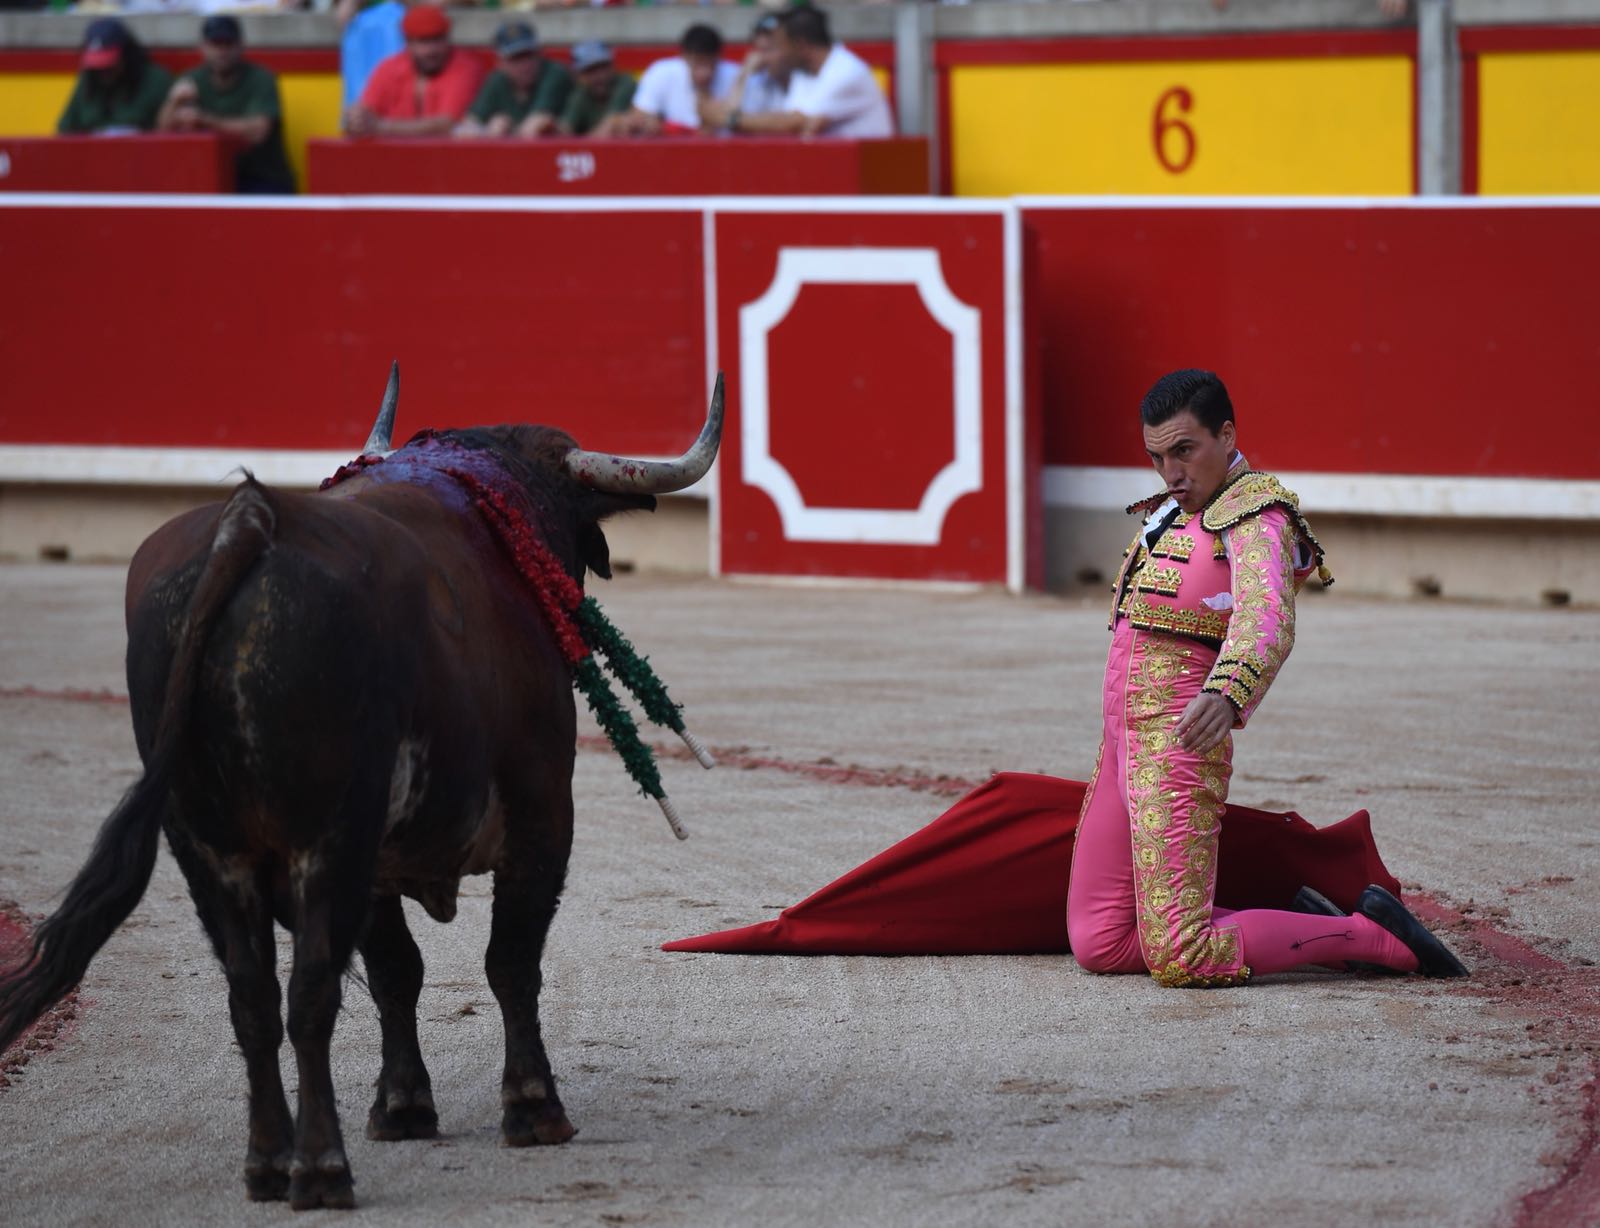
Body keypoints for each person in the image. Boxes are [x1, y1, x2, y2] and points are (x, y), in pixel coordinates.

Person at [1065, 369, 1467, 987]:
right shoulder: (1172, 514)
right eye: (1156, 457)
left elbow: (1266, 620)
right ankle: (1303, 929)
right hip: (1120, 747)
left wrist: (1227, 693)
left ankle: (1375, 939)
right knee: (1102, 941)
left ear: (1227, 436)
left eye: (1184, 451)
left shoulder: (1257, 516)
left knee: (1181, 955)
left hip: (1179, 744)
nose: (1170, 473)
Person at [704, 6, 892, 139]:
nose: (771, 55)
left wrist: (727, 119)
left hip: (873, 182)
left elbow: (794, 123)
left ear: (800, 45)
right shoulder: (803, 73)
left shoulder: (847, 72)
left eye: (778, 46)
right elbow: (793, 123)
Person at [157, 16, 296, 195]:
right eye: (215, 44)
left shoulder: (261, 79)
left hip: (263, 181)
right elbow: (162, 131)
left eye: (228, 43)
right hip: (209, 179)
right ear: (203, 47)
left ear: (240, 46)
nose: (222, 51)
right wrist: (173, 102)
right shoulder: (192, 79)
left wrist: (203, 120)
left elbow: (258, 133)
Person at [344, 4, 484, 139]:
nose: (431, 50)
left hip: (448, 159)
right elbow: (367, 111)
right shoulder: (389, 68)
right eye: (423, 42)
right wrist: (357, 120)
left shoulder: (466, 68)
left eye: (437, 40)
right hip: (393, 158)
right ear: (407, 43)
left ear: (448, 39)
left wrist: (380, 127)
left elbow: (447, 125)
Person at [456, 21, 573, 140]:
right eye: (515, 59)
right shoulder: (497, 79)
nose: (525, 65)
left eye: (529, 55)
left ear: (539, 53)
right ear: (500, 63)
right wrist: (487, 131)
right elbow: (465, 128)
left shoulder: (554, 74)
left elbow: (534, 128)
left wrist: (506, 131)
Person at [57, 18, 173, 135]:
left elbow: (170, 132)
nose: (103, 71)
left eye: (109, 65)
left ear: (127, 54)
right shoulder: (88, 81)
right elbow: (65, 131)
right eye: (97, 66)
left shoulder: (155, 81)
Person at [620, 23, 739, 137]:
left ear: (719, 57)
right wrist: (655, 126)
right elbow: (638, 118)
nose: (705, 72)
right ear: (684, 57)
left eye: (711, 64)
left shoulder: (737, 76)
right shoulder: (661, 72)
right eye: (698, 62)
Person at [556, 41, 636, 139]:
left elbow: (611, 125)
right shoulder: (581, 93)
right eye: (590, 70)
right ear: (579, 75)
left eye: (603, 67)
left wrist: (579, 145)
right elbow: (564, 130)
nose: (599, 76)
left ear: (612, 66)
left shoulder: (625, 84)